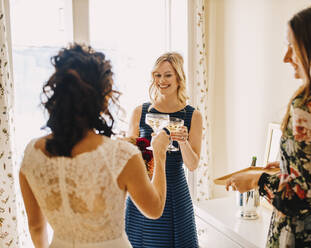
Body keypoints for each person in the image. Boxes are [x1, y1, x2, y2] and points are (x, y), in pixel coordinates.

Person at [226, 4, 311, 248]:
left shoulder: (309, 104)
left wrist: (256, 181)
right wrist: (288, 168)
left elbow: (298, 200)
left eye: (292, 45)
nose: (286, 56)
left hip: (305, 235)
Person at [19, 44, 170, 248]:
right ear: (104, 97)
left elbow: (36, 226)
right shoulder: (121, 155)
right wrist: (159, 154)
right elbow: (155, 209)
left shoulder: (32, 152)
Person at [125, 52, 202, 247]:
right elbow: (127, 159)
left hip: (175, 193)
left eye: (168, 75)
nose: (162, 80)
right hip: (143, 191)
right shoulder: (139, 112)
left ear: (178, 77)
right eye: (157, 75)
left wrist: (183, 141)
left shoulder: (193, 115)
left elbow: (192, 165)